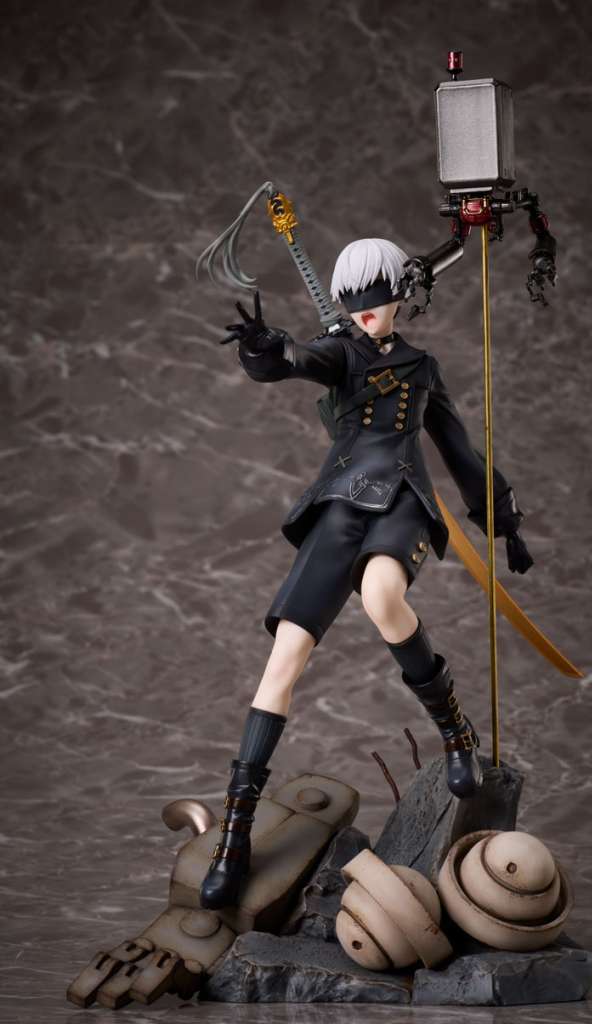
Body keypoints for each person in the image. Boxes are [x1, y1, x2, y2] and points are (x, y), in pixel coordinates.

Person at [199, 237, 533, 910]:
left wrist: (504, 521)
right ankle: (234, 835)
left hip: (401, 504)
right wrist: (264, 346)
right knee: (285, 655)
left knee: (383, 595)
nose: (365, 314)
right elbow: (296, 360)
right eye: (354, 304)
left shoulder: (421, 366)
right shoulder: (340, 353)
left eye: (375, 301)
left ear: (399, 296)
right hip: (339, 507)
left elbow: (459, 450)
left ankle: (455, 732)